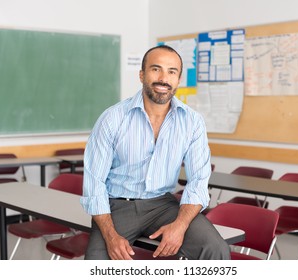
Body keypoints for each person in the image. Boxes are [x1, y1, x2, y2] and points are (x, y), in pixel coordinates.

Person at [80, 45, 230, 260]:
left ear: (178, 80)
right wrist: (111, 236)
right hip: (118, 206)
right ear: (142, 75)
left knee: (215, 249)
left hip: (163, 205)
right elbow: (94, 183)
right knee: (98, 264)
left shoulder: (192, 121)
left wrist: (180, 225)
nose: (163, 78)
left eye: (172, 72)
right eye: (155, 69)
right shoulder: (112, 118)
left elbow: (198, 180)